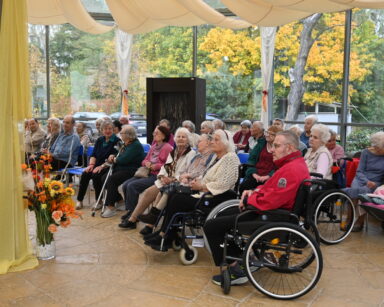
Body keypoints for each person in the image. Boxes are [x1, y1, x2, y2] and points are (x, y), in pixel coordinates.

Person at [204, 130, 310, 286]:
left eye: (276, 146)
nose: (272, 149)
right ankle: (244, 258)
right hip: (271, 211)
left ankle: (235, 270)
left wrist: (249, 199)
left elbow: (270, 202)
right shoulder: (292, 165)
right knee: (222, 215)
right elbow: (271, 190)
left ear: (289, 148)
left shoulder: (291, 170)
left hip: (271, 216)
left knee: (211, 225)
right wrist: (254, 191)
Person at [144, 129, 240, 252]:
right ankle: (165, 232)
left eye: (216, 140)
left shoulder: (230, 158)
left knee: (177, 198)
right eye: (212, 139)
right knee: (173, 194)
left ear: (226, 143)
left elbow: (224, 183)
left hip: (215, 197)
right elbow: (207, 176)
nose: (212, 142)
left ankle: (165, 234)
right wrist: (197, 182)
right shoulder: (217, 157)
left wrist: (200, 186)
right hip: (205, 192)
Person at [138, 134, 215, 233]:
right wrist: (164, 176)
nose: (197, 143)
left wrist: (183, 177)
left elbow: (202, 174)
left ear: (208, 143)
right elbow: (170, 167)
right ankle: (153, 221)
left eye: (200, 141)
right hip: (179, 181)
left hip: (192, 185)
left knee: (168, 190)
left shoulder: (209, 157)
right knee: (162, 190)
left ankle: (155, 221)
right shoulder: (196, 156)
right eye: (178, 137)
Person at [118, 127, 196, 227]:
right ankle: (133, 219)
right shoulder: (174, 152)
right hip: (165, 180)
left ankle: (148, 225)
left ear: (188, 139)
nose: (180, 138)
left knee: (154, 192)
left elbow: (188, 172)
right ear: (175, 139)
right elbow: (165, 167)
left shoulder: (191, 154)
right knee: (147, 192)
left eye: (183, 137)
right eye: (179, 136)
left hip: (179, 182)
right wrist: (162, 177)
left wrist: (172, 178)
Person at [120, 126, 173, 219]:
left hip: (157, 175)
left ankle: (133, 215)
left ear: (164, 136)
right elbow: (144, 161)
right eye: (154, 133)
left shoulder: (168, 148)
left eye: (157, 133)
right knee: (125, 185)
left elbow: (169, 164)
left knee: (132, 186)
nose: (154, 134)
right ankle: (130, 210)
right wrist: (147, 163)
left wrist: (155, 166)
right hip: (146, 172)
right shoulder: (153, 147)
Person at [93, 125, 145, 215]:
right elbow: (118, 154)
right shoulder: (126, 143)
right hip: (122, 168)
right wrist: (112, 155)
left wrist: (114, 159)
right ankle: (120, 200)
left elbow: (124, 159)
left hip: (131, 170)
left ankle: (111, 207)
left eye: (122, 133)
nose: (120, 134)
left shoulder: (135, 145)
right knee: (104, 177)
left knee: (111, 180)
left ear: (128, 135)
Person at [343, 131, 384, 231]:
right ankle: (350, 218)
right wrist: (366, 181)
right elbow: (359, 171)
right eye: (378, 148)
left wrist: (374, 183)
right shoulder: (366, 152)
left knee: (363, 193)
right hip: (361, 178)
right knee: (356, 189)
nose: (380, 150)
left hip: (376, 182)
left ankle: (360, 221)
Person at [75, 120, 120, 210]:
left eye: (110, 129)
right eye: (105, 129)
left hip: (109, 166)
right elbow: (94, 154)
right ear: (102, 130)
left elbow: (113, 158)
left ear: (113, 130)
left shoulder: (117, 141)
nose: (108, 131)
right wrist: (91, 165)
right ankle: (79, 200)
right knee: (85, 174)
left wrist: (101, 166)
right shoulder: (100, 140)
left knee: (96, 175)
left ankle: (98, 201)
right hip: (97, 164)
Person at [239, 125, 282, 193]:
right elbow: (251, 160)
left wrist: (268, 176)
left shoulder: (280, 149)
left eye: (271, 134)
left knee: (264, 192)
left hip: (271, 177)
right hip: (256, 173)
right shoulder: (261, 144)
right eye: (267, 133)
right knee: (244, 187)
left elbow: (280, 166)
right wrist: (254, 174)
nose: (267, 135)